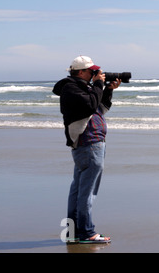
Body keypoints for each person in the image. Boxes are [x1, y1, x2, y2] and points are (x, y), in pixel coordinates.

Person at [53, 55, 121, 244]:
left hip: (89, 144)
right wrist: (99, 85)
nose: (95, 74)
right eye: (92, 72)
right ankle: (87, 233)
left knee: (79, 189)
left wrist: (107, 89)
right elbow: (91, 104)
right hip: (89, 143)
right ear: (81, 71)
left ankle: (74, 232)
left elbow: (100, 108)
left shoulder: (82, 88)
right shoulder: (71, 88)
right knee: (87, 191)